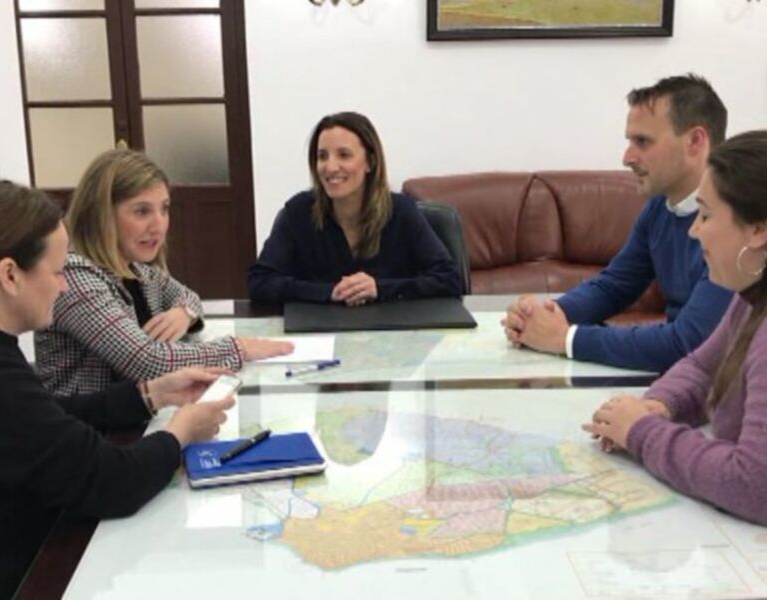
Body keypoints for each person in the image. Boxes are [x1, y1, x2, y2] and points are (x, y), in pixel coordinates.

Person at [0, 179, 236, 599]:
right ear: (9, 274)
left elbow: (46, 414)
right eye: (56, 272)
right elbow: (111, 481)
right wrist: (182, 431)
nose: (63, 286)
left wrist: (151, 394)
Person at [583, 130, 767, 525]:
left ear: (758, 230)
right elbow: (703, 367)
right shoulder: (750, 296)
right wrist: (660, 405)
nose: (694, 230)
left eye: (706, 215)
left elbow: (754, 483)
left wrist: (643, 432)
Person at [502, 74, 733, 372]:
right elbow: (615, 286)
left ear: (695, 141)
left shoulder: (737, 220)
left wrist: (566, 338)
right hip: (685, 381)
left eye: (643, 142)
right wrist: (545, 315)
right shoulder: (659, 208)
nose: (627, 157)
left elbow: (687, 342)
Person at [35, 149, 292, 396]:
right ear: (101, 215)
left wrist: (184, 313)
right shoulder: (75, 277)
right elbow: (145, 360)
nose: (158, 225)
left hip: (140, 417)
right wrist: (240, 348)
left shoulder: (137, 268)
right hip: (95, 431)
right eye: (142, 211)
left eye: (165, 208)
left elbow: (189, 296)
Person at [247, 111, 462, 304]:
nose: (330, 167)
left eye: (344, 155)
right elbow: (259, 282)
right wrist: (328, 292)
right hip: (320, 335)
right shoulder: (298, 212)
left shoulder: (400, 211)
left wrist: (379, 288)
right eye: (322, 156)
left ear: (370, 162)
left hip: (390, 334)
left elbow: (449, 278)